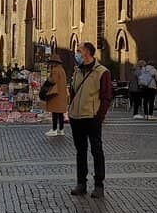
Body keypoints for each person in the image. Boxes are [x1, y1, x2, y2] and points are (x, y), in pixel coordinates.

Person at [68, 41, 112, 197]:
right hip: (76, 117)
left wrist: (98, 117)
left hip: (91, 117)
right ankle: (81, 183)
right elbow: (73, 92)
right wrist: (71, 110)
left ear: (87, 53)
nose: (76, 53)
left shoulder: (102, 72)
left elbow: (106, 97)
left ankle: (99, 185)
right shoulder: (77, 71)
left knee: (96, 150)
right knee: (80, 151)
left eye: (79, 50)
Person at [42, 50, 69, 137]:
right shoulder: (62, 70)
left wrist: (47, 82)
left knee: (55, 113)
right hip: (62, 94)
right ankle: (61, 129)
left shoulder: (55, 70)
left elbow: (53, 80)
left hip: (55, 94)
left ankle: (54, 129)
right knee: (60, 113)